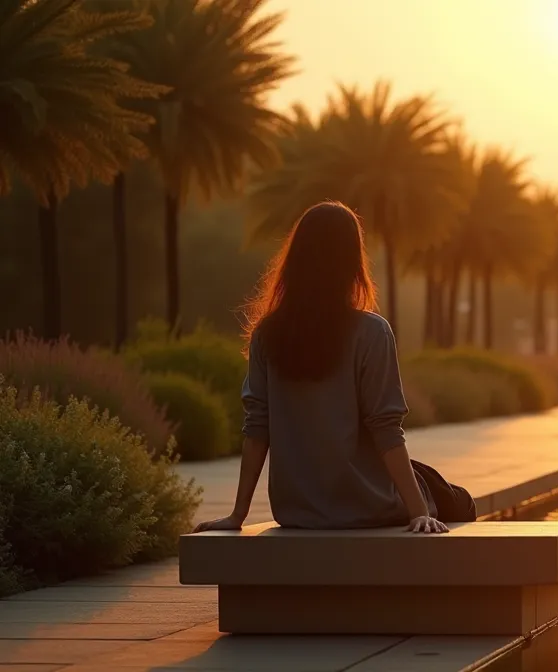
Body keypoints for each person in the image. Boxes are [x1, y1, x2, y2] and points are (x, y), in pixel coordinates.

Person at [194, 202, 475, 535]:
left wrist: (237, 516)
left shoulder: (267, 335)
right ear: (352, 263)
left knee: (421, 474)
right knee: (460, 501)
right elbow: (386, 428)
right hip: (368, 505)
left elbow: (257, 427)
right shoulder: (372, 332)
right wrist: (418, 513)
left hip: (297, 509)